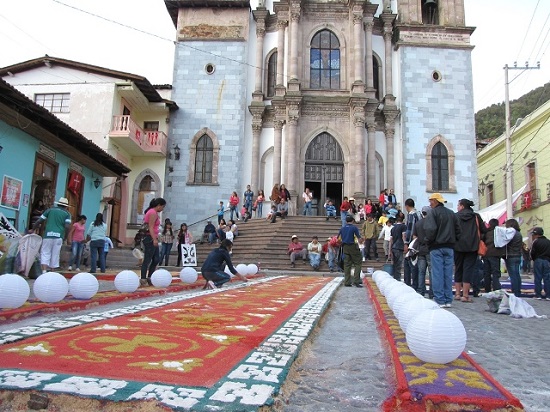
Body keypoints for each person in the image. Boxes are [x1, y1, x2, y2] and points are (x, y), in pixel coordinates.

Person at [424, 193, 461, 308]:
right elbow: (458, 230)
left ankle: (440, 299)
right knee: (448, 273)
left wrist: (427, 241)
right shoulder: (451, 213)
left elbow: (430, 230)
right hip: (449, 247)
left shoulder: (433, 213)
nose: (430, 203)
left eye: (431, 201)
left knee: (437, 273)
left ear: (435, 201)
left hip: (436, 246)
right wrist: (454, 241)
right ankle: (448, 299)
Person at [453, 199, 485, 302]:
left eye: (458, 205)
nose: (457, 207)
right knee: (468, 269)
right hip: (472, 246)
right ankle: (465, 295)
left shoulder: (456, 216)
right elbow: (483, 230)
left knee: (458, 268)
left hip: (458, 245)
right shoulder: (476, 216)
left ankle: (457, 293)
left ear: (462, 206)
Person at [32, 196, 72, 273]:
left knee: (45, 253)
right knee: (55, 254)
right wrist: (65, 237)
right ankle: (52, 272)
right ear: (66, 206)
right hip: (58, 236)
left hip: (47, 235)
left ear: (58, 204)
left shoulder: (49, 210)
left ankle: (44, 271)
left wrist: (32, 229)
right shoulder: (67, 214)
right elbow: (67, 227)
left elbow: (39, 220)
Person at [140, 198, 166, 285]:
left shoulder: (153, 212)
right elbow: (150, 227)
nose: (162, 209)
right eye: (162, 206)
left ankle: (150, 276)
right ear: (158, 205)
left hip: (153, 237)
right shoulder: (152, 213)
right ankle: (143, 278)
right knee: (148, 259)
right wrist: (154, 239)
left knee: (156, 259)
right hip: (149, 237)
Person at [412, 206, 432, 297]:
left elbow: (414, 236)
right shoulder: (432, 223)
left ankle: (421, 291)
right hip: (429, 249)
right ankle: (432, 292)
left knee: (421, 272)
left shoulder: (418, 223)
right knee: (432, 272)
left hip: (420, 249)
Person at [338, 215, 363, 287]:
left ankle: (347, 282)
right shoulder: (354, 228)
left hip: (345, 247)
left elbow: (338, 239)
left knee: (347, 264)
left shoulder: (342, 228)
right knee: (358, 263)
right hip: (353, 246)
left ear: (346, 221)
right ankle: (356, 281)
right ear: (352, 221)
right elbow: (359, 238)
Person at [482, 218, 504, 293]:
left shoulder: (487, 232)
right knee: (495, 272)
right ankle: (496, 289)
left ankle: (487, 289)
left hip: (486, 253)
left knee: (487, 273)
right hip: (495, 254)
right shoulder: (499, 232)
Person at [403, 198, 421, 289]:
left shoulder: (412, 215)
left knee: (410, 264)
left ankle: (411, 285)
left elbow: (410, 229)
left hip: (412, 243)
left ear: (407, 206)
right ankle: (414, 284)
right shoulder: (418, 214)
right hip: (417, 242)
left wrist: (406, 243)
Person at [504, 219, 523, 297]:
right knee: (517, 274)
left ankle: (515, 291)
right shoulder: (519, 233)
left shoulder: (511, 233)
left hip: (511, 255)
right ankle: (518, 290)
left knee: (513, 275)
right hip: (518, 255)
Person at [530, 227, 550, 300]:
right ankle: (548, 295)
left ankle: (538, 295)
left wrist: (534, 259)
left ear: (536, 234)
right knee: (547, 278)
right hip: (547, 261)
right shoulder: (548, 241)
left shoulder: (535, 242)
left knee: (538, 278)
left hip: (538, 260)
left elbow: (532, 252)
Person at [389, 215, 407, 281]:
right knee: (399, 264)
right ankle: (397, 279)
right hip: (399, 246)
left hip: (393, 247)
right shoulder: (404, 227)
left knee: (394, 263)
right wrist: (405, 244)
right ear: (403, 220)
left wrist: (389, 250)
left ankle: (394, 278)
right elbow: (403, 236)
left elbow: (391, 239)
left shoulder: (393, 228)